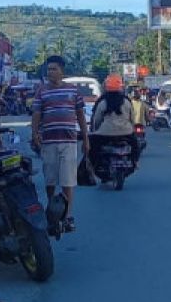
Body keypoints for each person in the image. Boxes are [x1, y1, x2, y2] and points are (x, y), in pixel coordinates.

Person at [30, 55, 89, 232]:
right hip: (49, 141)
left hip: (69, 141)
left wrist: (86, 139)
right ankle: (52, 212)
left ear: (62, 71)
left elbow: (80, 116)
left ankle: (67, 216)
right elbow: (37, 114)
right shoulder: (42, 91)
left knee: (67, 181)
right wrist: (35, 134)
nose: (50, 72)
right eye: (48, 69)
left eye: (54, 69)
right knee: (50, 180)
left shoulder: (73, 91)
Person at [90, 74, 138, 164]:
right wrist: (131, 128)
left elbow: (96, 120)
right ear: (121, 87)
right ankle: (135, 163)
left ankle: (91, 167)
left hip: (105, 133)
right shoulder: (127, 101)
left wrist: (95, 130)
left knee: (91, 147)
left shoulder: (102, 102)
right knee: (136, 145)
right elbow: (132, 118)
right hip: (126, 133)